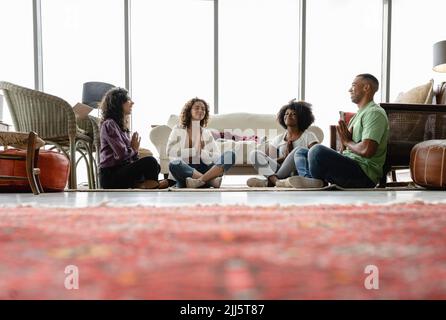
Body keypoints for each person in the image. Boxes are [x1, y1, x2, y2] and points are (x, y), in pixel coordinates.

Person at [283, 73, 389, 189]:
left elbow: (367, 150)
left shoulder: (374, 113)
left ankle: (313, 182)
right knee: (301, 152)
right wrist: (344, 147)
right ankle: (312, 181)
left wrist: (347, 142)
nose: (350, 90)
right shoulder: (357, 115)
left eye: (353, 85)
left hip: (363, 174)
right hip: (351, 165)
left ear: (366, 87)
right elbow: (348, 149)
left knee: (316, 150)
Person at [98, 87, 168, 189]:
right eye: (128, 100)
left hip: (121, 170)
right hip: (111, 175)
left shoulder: (121, 127)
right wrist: (134, 149)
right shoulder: (109, 124)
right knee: (150, 161)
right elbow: (122, 155)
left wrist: (135, 152)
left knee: (156, 165)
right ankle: (151, 185)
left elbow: (129, 158)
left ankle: (144, 185)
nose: (132, 103)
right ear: (118, 103)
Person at [247, 100, 319, 187]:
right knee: (254, 154)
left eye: (293, 114)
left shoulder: (308, 136)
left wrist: (293, 157)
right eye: (286, 113)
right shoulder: (278, 139)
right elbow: (270, 161)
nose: (289, 115)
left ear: (301, 118)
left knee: (298, 150)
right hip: (283, 170)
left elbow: (315, 156)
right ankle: (277, 182)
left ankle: (269, 182)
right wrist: (285, 158)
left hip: (301, 173)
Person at [167, 97, 236, 188]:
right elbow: (170, 152)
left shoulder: (206, 133)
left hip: (205, 169)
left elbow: (217, 156)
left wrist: (201, 153)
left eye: (203, 109)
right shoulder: (178, 129)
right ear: (189, 111)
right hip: (186, 172)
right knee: (174, 164)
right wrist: (194, 151)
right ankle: (210, 181)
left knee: (230, 155)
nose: (201, 110)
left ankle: (200, 181)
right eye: (197, 108)